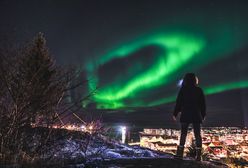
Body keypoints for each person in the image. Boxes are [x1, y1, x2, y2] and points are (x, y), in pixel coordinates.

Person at [173, 73, 206, 161]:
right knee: (197, 135)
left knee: (183, 133)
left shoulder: (183, 89)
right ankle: (198, 156)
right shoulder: (199, 90)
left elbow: (178, 102)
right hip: (196, 114)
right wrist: (203, 115)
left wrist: (175, 113)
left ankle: (180, 154)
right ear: (195, 80)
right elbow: (202, 104)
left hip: (186, 113)